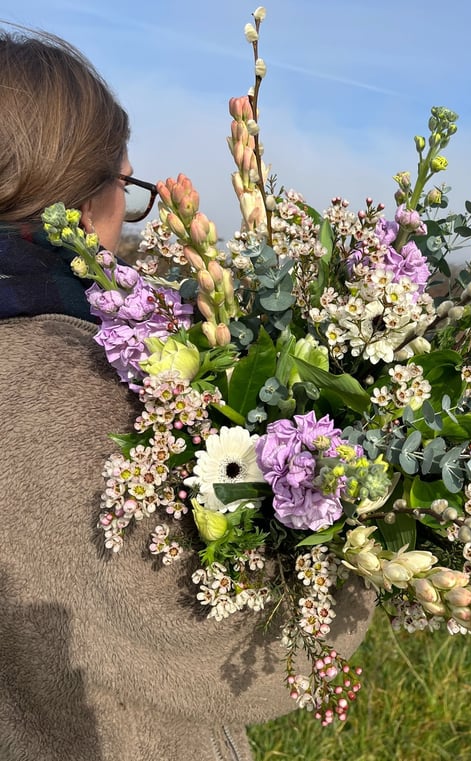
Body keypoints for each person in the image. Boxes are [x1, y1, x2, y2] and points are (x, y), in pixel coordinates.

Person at [0, 26, 373, 761]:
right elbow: (246, 656)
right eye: (127, 189)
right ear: (85, 200)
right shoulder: (81, 389)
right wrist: (359, 534)